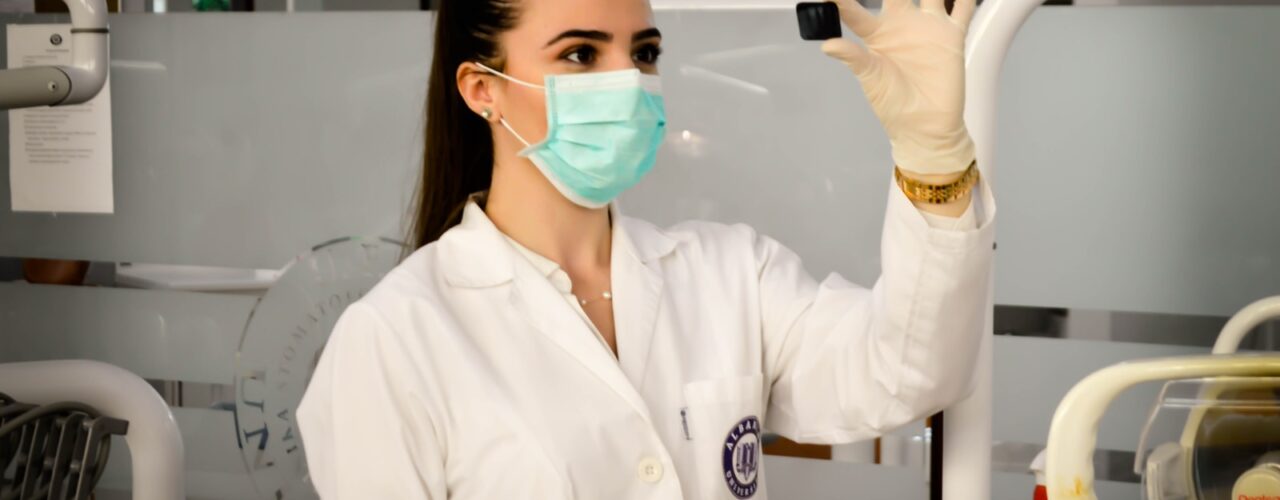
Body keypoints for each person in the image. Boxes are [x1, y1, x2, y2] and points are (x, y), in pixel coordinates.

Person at [296, 0, 995, 497]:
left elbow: (910, 370)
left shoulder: (729, 274)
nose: (627, 81)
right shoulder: (395, 338)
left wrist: (932, 159)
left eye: (645, 52)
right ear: (483, 90)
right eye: (580, 53)